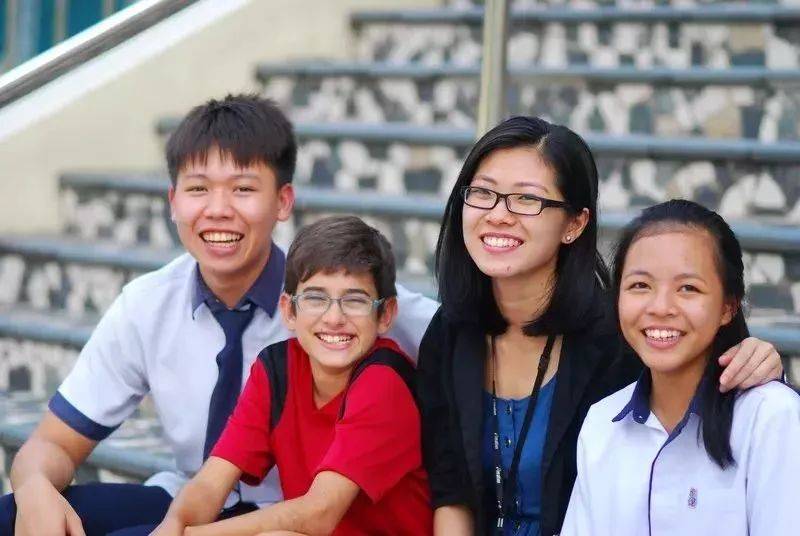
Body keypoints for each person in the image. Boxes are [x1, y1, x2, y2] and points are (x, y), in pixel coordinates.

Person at [0, 95, 437, 536]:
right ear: (173, 202)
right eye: (198, 189)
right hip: (193, 498)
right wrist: (34, 490)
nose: (218, 209)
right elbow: (53, 441)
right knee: (12, 515)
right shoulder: (148, 305)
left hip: (288, 520)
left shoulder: (339, 301)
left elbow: (464, 335)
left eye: (243, 189)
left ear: (283, 201)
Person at [415, 116, 786, 536]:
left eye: (526, 199)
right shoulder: (450, 331)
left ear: (575, 224)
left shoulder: (621, 338)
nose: (498, 214)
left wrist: (757, 358)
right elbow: (452, 496)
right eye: (483, 193)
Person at [150, 215, 433, 536]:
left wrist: (193, 535)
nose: (334, 317)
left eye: (355, 300)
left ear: (385, 315)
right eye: (315, 298)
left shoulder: (384, 381)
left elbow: (319, 513)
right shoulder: (277, 369)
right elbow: (211, 482)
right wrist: (174, 524)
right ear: (289, 310)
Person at [561, 199, 800, 535]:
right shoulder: (602, 424)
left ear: (728, 307)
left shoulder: (770, 417)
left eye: (688, 288)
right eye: (640, 285)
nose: (660, 307)